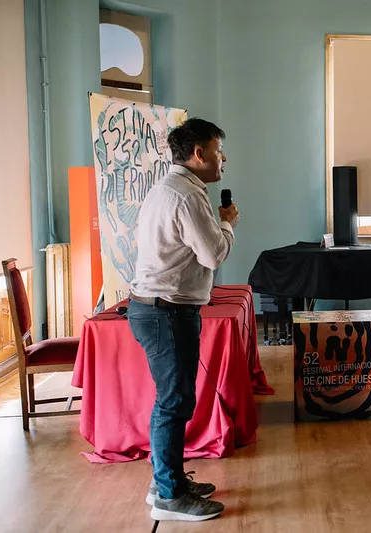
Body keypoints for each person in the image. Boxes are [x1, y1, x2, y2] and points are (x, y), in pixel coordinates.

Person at [127, 118, 236, 521]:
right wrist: (228, 223)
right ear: (198, 154)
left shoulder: (168, 187)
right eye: (217, 150)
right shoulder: (188, 196)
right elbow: (213, 254)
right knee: (173, 402)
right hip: (166, 311)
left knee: (174, 400)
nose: (223, 158)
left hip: (156, 308)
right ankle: (169, 495)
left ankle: (167, 480)